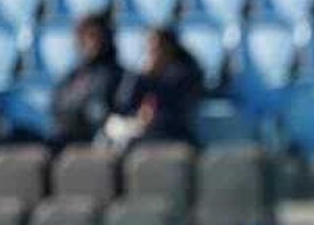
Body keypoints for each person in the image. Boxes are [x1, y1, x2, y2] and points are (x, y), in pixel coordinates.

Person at [107, 27, 204, 147]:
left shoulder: (184, 73)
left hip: (172, 132)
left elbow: (175, 109)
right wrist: (140, 76)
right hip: (143, 126)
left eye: (155, 46)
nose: (150, 50)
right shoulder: (146, 74)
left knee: (129, 142)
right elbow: (124, 102)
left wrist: (149, 118)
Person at [50, 13, 125, 146]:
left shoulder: (119, 75)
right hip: (70, 138)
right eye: (88, 36)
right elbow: (57, 106)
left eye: (96, 36)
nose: (93, 42)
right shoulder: (72, 77)